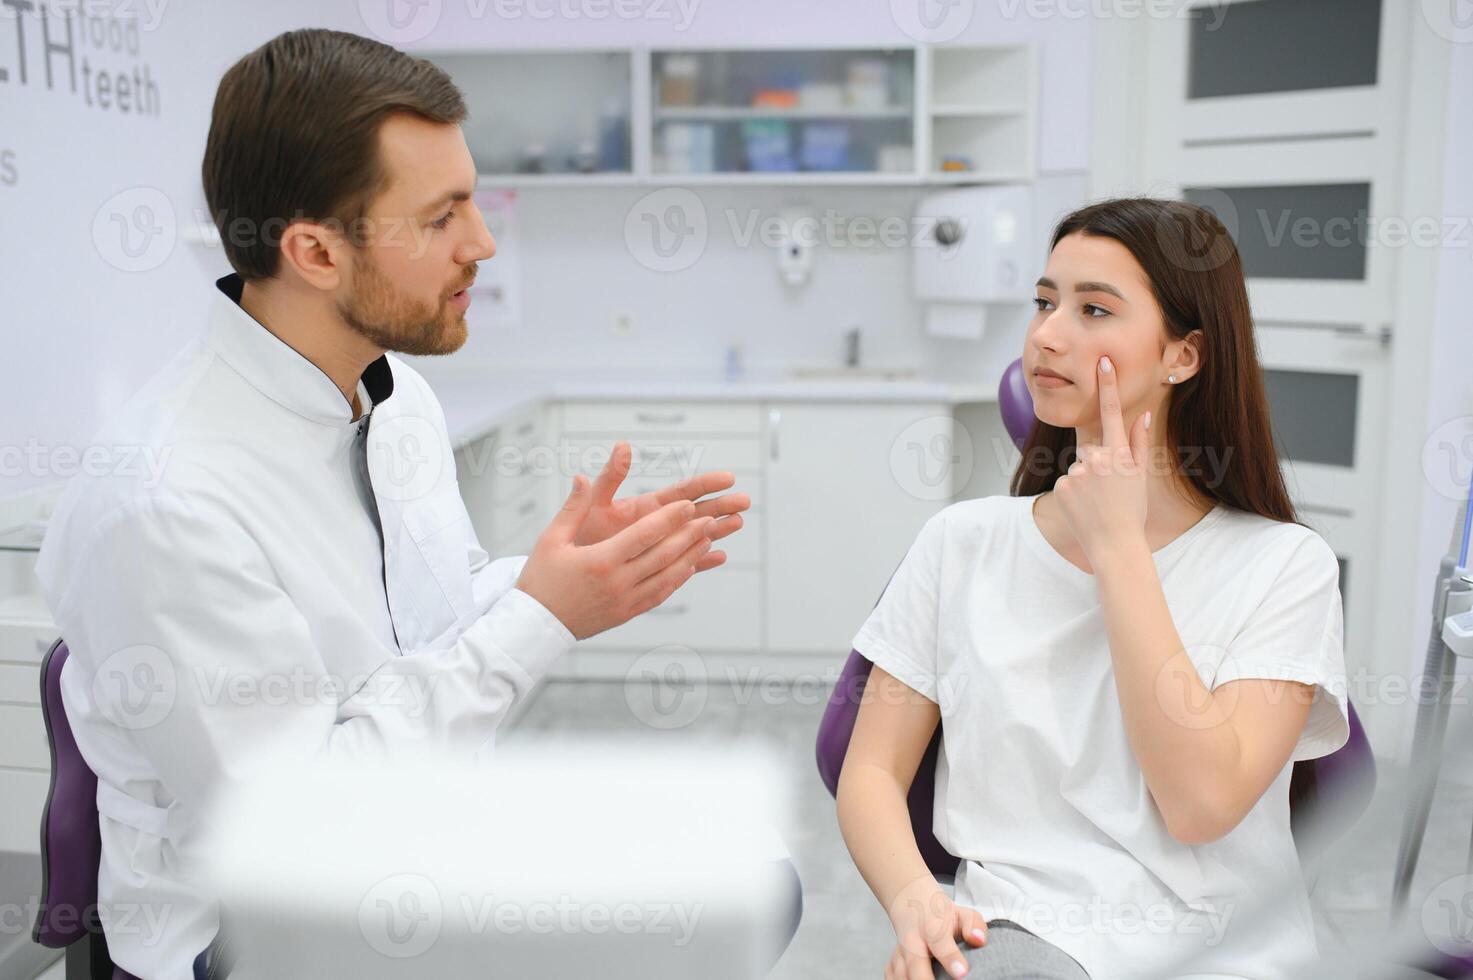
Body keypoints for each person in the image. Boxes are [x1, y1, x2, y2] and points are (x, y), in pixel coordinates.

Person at [37, 29, 752, 979]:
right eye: (443, 215)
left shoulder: (391, 394)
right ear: (315, 253)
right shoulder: (165, 503)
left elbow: (429, 623)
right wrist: (540, 620)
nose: (483, 243)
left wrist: (558, 578)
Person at [836, 198, 1349, 980]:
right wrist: (915, 900)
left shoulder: (1283, 566)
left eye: (1093, 309)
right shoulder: (961, 543)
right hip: (1022, 931)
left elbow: (1199, 806)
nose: (1046, 333)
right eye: (1043, 302)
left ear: (1183, 355)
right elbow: (869, 771)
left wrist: (1117, 550)